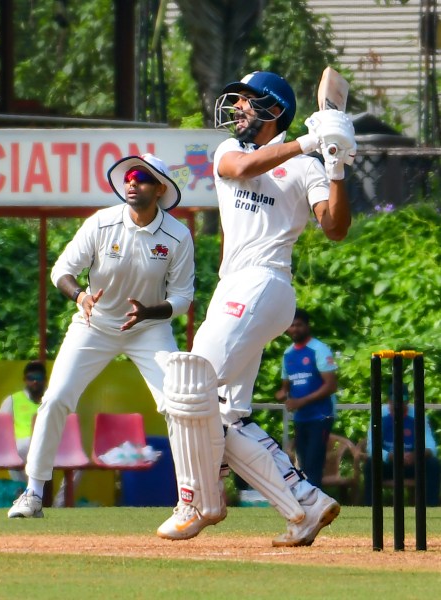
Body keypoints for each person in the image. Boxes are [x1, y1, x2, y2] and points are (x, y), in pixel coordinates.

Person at [157, 70, 356, 546]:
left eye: (248, 101)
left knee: (188, 382)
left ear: (273, 111)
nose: (238, 108)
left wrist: (336, 164)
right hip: (234, 288)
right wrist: (311, 141)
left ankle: (197, 501)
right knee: (226, 414)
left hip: (266, 282)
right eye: (239, 100)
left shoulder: (307, 165)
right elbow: (239, 172)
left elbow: (335, 227)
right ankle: (304, 505)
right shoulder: (231, 150)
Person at [7, 153, 194, 518]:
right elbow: (62, 270)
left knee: (177, 406)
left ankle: (191, 497)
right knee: (56, 397)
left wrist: (149, 312)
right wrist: (80, 295)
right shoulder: (102, 223)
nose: (131, 182)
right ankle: (32, 493)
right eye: (128, 177)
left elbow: (183, 298)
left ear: (159, 188)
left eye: (140, 177)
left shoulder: (178, 235)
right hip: (94, 324)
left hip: (150, 329)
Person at [0, 360, 82, 507]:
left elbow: (67, 425)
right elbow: (0, 426)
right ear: (25, 380)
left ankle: (59, 504)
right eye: (31, 378)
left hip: (52, 444)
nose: (35, 381)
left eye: (39, 377)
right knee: (14, 453)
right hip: (24, 445)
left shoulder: (54, 400)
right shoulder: (13, 400)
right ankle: (27, 496)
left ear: (45, 379)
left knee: (78, 465)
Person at [275, 308, 338, 489]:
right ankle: (311, 503)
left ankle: (318, 505)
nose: (295, 329)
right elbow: (286, 386)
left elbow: (331, 385)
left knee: (313, 463)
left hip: (321, 416)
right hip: (301, 417)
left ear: (307, 326)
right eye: (291, 326)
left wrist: (301, 401)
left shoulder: (318, 349)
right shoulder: (288, 354)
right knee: (303, 463)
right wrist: (282, 394)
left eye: (299, 325)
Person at [364, 384, 440, 506]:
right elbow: (371, 447)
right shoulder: (379, 414)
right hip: (389, 464)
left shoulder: (418, 415)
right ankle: (370, 506)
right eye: (394, 401)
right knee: (370, 465)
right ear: (389, 400)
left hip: (411, 463)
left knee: (433, 464)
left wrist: (416, 455)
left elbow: (431, 446)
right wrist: (390, 456)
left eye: (403, 401)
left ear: (408, 401)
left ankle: (431, 506)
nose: (398, 405)